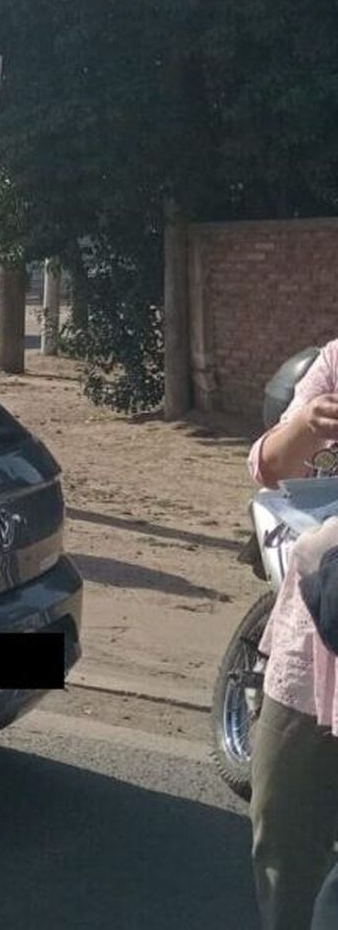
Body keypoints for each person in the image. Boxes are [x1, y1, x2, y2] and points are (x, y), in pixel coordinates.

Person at [248, 337, 338, 930]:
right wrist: (307, 424)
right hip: (311, 647)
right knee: (281, 839)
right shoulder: (336, 361)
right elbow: (269, 465)